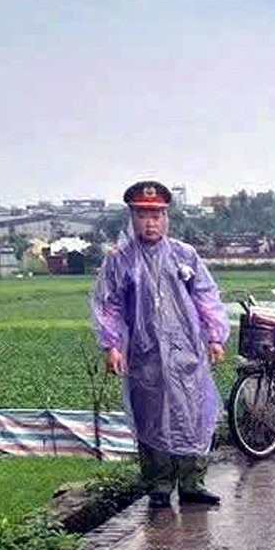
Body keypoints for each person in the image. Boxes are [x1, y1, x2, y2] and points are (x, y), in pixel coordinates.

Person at [91, 181, 231, 508]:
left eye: (156, 215)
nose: (150, 223)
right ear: (132, 218)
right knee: (150, 415)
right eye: (142, 215)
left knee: (191, 411)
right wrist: (112, 345)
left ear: (165, 217)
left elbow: (206, 296)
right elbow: (108, 305)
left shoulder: (185, 255)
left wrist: (214, 336)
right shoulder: (120, 260)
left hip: (186, 351)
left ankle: (193, 483)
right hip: (145, 354)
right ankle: (159, 486)